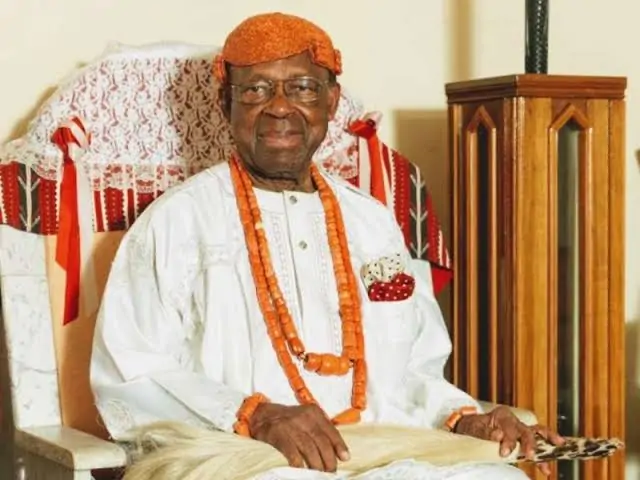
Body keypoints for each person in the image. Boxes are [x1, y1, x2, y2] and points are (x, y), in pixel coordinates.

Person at [90, 12, 563, 479]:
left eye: (302, 88)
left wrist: (464, 417)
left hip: (384, 453)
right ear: (225, 104)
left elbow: (415, 370)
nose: (279, 107)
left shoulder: (372, 223)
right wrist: (255, 415)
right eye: (255, 90)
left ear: (331, 102)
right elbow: (130, 372)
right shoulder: (177, 221)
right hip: (246, 460)